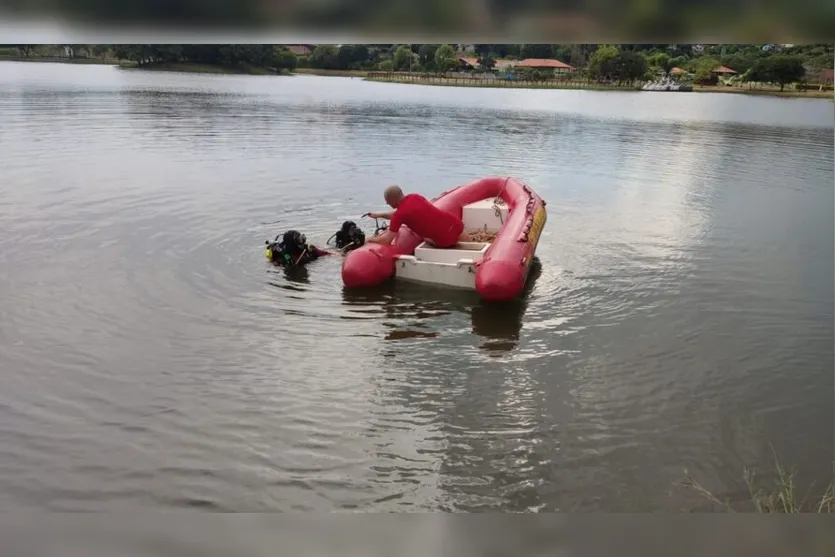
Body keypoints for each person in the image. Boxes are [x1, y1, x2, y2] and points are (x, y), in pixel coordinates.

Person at [365, 185, 470, 248]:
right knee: (473, 248)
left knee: (424, 238)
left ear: (392, 200)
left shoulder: (399, 215)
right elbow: (404, 213)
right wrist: (379, 215)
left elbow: (386, 240)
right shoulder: (415, 196)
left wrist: (369, 239)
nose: (388, 204)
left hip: (443, 240)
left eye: (388, 202)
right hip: (455, 224)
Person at [265, 230, 333, 266]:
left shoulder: (309, 249)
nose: (302, 241)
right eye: (299, 240)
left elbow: (328, 254)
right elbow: (271, 265)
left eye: (301, 238)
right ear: (292, 244)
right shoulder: (283, 258)